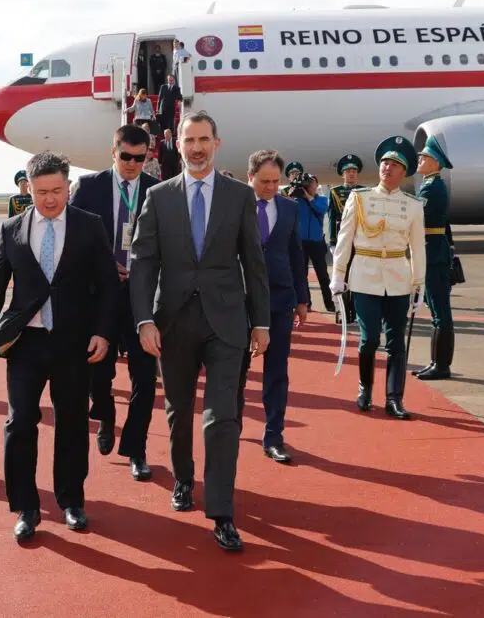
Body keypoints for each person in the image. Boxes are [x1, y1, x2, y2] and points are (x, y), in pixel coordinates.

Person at [130, 111, 270, 552]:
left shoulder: (239, 196)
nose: (196, 148)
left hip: (226, 320)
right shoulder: (158, 197)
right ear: (178, 145)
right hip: (172, 321)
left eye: (204, 139)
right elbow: (143, 262)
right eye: (189, 140)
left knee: (222, 415)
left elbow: (253, 260)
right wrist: (144, 320)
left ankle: (222, 512)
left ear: (217, 143)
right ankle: (184, 478)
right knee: (178, 410)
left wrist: (261, 321)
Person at [0, 153, 119, 543]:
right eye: (41, 192)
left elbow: (109, 285)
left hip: (74, 342)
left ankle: (71, 501)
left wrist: (104, 333)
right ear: (29, 188)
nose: (50, 199)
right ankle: (26, 507)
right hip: (26, 343)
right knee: (20, 421)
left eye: (57, 190)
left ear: (68, 187)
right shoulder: (11, 229)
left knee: (72, 422)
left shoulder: (90, 226)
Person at [69, 125, 160, 481]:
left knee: (145, 378)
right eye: (126, 156)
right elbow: (74, 238)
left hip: (142, 297)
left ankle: (136, 448)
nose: (133, 164)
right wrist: (106, 264)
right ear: (113, 152)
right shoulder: (88, 187)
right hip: (100, 295)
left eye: (140, 158)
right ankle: (105, 415)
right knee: (99, 373)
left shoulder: (157, 190)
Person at [330, 136, 426, 420]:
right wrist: (338, 274)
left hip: (398, 278)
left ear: (404, 171)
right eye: (384, 162)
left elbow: (417, 248)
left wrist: (418, 284)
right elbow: (345, 238)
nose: (387, 168)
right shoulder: (360, 198)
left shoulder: (413, 205)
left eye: (394, 164)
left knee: (396, 342)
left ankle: (394, 398)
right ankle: (365, 388)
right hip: (365, 276)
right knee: (370, 338)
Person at [245, 150, 308, 464]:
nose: (270, 187)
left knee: (277, 372)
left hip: (280, 299)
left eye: (275, 181)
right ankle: (229, 427)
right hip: (240, 299)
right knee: (234, 370)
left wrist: (302, 299)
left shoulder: (290, 208)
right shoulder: (235, 205)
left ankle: (274, 436)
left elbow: (297, 254)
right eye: (264, 181)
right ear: (250, 177)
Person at [412, 136, 455, 381]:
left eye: (425, 157)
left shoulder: (431, 187)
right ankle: (436, 362)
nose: (420, 160)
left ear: (436, 163)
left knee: (440, 312)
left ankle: (441, 365)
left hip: (434, 253)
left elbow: (418, 217)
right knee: (437, 310)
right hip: (434, 249)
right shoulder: (431, 184)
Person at [328, 154, 365, 323]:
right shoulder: (335, 192)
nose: (351, 174)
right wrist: (333, 242)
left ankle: (358, 312)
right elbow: (332, 218)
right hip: (343, 240)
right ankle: (343, 312)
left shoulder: (365, 191)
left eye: (354, 171)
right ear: (343, 174)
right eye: (348, 171)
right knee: (341, 275)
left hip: (361, 240)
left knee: (359, 276)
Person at [295, 173, 335, 313]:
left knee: (323, 275)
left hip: (317, 242)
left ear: (317, 185)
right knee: (302, 275)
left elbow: (321, 210)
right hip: (301, 242)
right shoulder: (298, 201)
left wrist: (309, 197)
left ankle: (329, 303)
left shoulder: (322, 200)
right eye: (308, 184)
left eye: (313, 183)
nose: (311, 186)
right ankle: (307, 302)